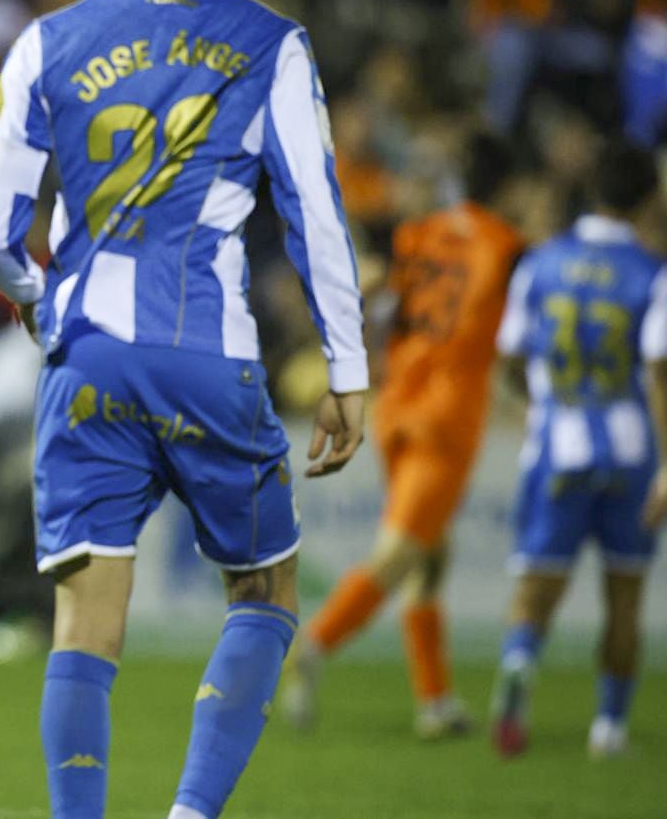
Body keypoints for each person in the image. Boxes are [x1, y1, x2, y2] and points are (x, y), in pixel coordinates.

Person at [0, 0, 367, 819]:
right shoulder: (269, 40)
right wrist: (346, 367)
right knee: (266, 591)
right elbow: (314, 213)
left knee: (83, 621)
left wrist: (34, 296)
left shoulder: (47, 41)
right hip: (207, 354)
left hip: (87, 357)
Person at [282, 134, 523, 739]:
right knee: (400, 553)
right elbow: (517, 341)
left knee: (431, 557)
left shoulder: (419, 234)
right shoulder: (507, 247)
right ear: (510, 187)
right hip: (447, 417)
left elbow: (379, 302)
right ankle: (310, 648)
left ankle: (435, 702)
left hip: (397, 407)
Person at [488, 140, 667, 760]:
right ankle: (609, 729)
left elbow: (509, 352)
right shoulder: (653, 272)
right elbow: (659, 370)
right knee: (624, 595)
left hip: (556, 444)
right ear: (650, 195)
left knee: (535, 588)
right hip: (631, 453)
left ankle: (518, 665)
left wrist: (541, 399)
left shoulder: (540, 263)